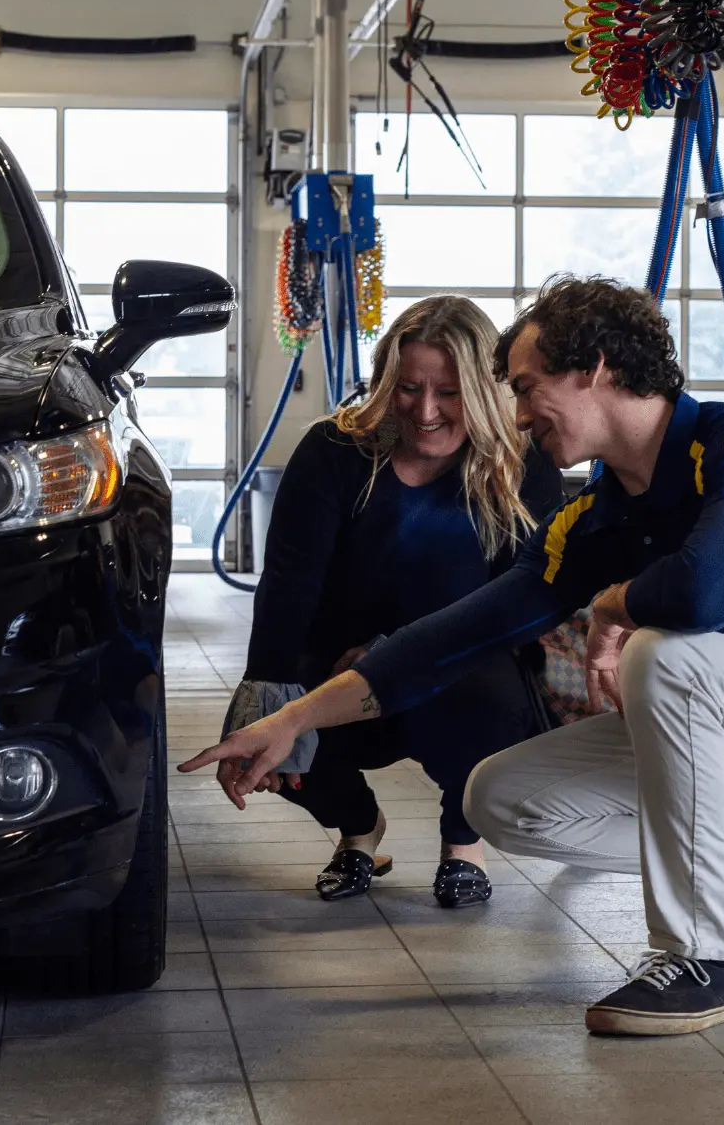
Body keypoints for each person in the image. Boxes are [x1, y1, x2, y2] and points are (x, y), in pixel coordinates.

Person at [183, 276, 724, 1037]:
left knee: (662, 656)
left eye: (525, 387)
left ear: (596, 367)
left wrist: (612, 605)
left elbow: (704, 591)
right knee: (500, 796)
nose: (512, 413)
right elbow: (450, 637)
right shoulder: (596, 516)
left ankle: (705, 957)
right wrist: (288, 717)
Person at [231, 296, 563, 908]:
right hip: (336, 669)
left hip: (460, 668)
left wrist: (390, 656)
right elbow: (288, 584)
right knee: (275, 739)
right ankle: (359, 830)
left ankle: (463, 845)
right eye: (409, 388)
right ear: (387, 381)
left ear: (487, 390)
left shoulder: (526, 463)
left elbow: (514, 602)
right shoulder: (333, 451)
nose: (426, 411)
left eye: (450, 392)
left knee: (495, 702)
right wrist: (268, 694)